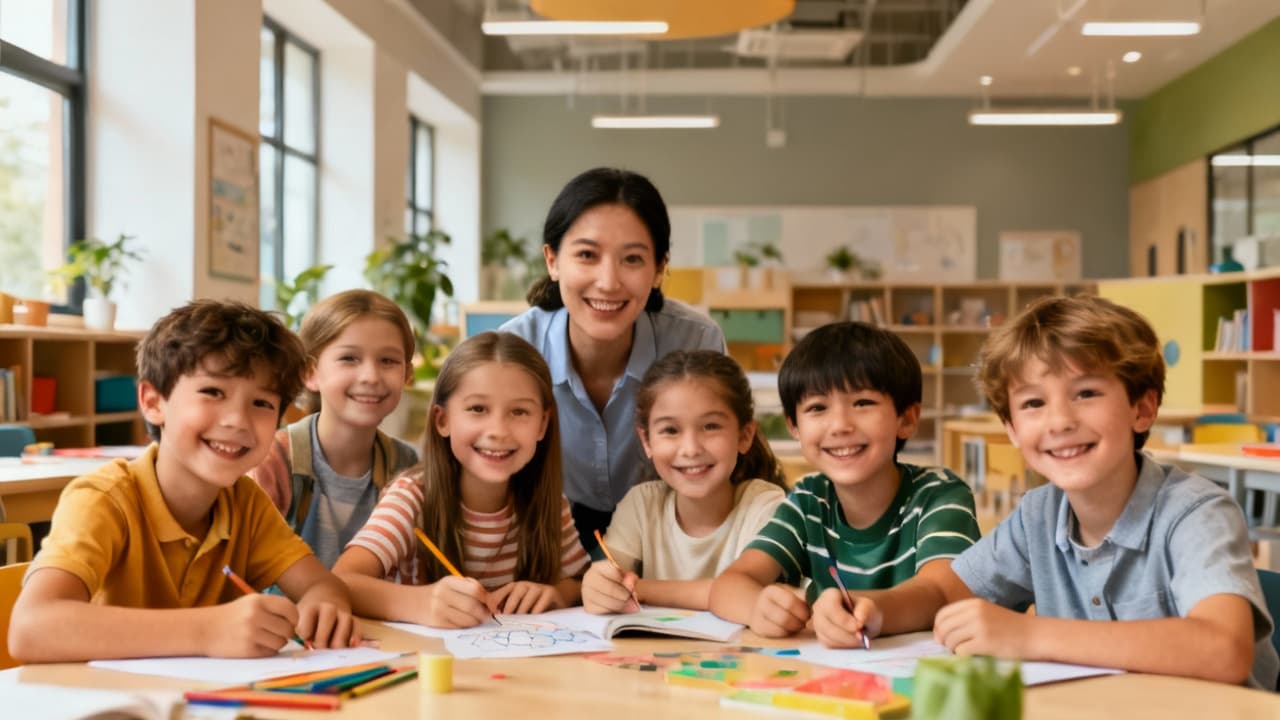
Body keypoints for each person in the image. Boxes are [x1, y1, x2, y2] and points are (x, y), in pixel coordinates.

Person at [867, 295, 1279, 689]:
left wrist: (1030, 635)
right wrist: (873, 610)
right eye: (1032, 403)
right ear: (1011, 428)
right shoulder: (1039, 515)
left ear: (1143, 409)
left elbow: (1224, 649)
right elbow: (943, 591)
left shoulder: (1195, 513)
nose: (1059, 421)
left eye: (1086, 393)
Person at [9, 300, 360, 662]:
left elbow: (320, 584)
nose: (237, 420)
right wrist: (208, 631)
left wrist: (324, 603)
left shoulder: (246, 503)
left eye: (261, 403)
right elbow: (31, 628)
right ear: (152, 401)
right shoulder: (103, 499)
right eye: (213, 392)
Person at [709, 322, 980, 645]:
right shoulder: (809, 499)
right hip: (834, 681)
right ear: (794, 427)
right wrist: (758, 607)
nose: (839, 426)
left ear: (906, 419)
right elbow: (729, 585)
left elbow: (944, 590)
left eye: (862, 403)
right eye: (817, 408)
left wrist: (872, 609)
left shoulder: (940, 494)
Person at [501, 167, 726, 550]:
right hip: (543, 543)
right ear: (552, 260)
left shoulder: (695, 341)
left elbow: (718, 464)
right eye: (587, 254)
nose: (608, 281)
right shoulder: (513, 352)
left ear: (659, 268)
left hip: (666, 541)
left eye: (632, 259)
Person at [333, 331, 589, 628]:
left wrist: (556, 593)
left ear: (542, 425)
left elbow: (580, 580)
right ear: (442, 420)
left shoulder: (550, 505)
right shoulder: (411, 498)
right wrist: (421, 604)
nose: (498, 431)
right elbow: (342, 581)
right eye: (477, 409)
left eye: (519, 411)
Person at [582, 350, 786, 613]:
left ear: (745, 435)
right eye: (670, 430)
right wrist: (598, 586)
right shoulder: (641, 504)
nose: (690, 449)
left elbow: (744, 592)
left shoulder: (767, 506)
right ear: (646, 441)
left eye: (711, 426)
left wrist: (640, 589)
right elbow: (605, 576)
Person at [249, 289, 419, 568]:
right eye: (349, 358)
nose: (371, 376)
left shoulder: (407, 466)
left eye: (388, 361)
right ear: (310, 373)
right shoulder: (272, 460)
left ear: (407, 375)